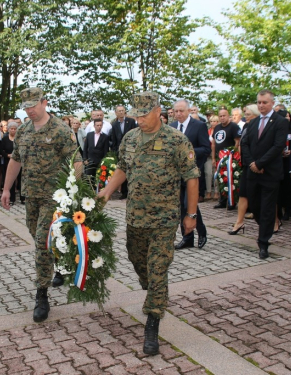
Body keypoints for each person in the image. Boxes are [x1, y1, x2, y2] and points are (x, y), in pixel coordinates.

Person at [98, 91, 200, 355]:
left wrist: (190, 215)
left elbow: (191, 178)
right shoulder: (130, 139)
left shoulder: (176, 140)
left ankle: (153, 319)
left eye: (144, 114)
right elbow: (122, 168)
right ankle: (154, 289)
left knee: (157, 267)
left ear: (158, 111)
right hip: (135, 217)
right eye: (137, 115)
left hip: (164, 219)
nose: (139, 119)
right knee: (137, 260)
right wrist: (106, 193)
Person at [1, 87, 82, 323]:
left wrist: (71, 188)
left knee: (41, 241)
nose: (30, 110)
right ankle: (59, 262)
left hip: (53, 197)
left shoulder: (60, 129)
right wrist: (6, 189)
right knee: (40, 237)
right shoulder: (24, 130)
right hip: (31, 196)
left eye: (33, 106)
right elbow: (16, 160)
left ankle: (42, 294)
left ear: (44, 103)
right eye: (26, 107)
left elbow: (77, 160)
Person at [240, 90, 288, 259]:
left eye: (264, 102)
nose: (261, 105)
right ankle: (265, 227)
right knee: (255, 206)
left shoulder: (280, 122)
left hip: (270, 173)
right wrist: (252, 163)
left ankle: (263, 243)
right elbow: (244, 145)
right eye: (259, 102)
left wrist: (260, 163)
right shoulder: (251, 124)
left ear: (272, 103)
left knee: (268, 208)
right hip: (253, 173)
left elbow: (277, 146)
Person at [170, 99, 210, 249]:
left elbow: (206, 149)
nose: (179, 114)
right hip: (176, 174)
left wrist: (189, 151)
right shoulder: (171, 127)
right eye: (176, 111)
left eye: (181, 111)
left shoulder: (199, 126)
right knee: (181, 205)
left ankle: (202, 231)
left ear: (188, 111)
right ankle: (187, 237)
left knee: (189, 204)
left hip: (192, 173)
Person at [228, 104, 260, 234]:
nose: (245, 117)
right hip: (247, 164)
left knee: (261, 196)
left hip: (260, 164)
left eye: (248, 115)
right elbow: (243, 144)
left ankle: (273, 221)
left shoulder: (262, 127)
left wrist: (256, 163)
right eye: (245, 114)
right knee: (243, 193)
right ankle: (239, 222)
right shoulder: (246, 126)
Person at [212, 108, 241, 210]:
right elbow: (214, 143)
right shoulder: (217, 128)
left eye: (224, 115)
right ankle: (222, 200)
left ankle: (232, 202)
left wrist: (234, 155)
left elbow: (237, 142)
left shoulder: (234, 127)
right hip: (219, 158)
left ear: (228, 116)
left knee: (231, 180)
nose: (222, 118)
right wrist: (213, 158)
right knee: (221, 180)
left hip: (230, 158)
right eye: (220, 116)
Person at [109, 105, 137, 199]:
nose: (121, 112)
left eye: (122, 110)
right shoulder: (114, 124)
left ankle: (131, 192)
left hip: (132, 150)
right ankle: (124, 192)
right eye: (119, 111)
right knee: (123, 170)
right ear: (116, 113)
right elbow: (113, 139)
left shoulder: (131, 122)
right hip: (120, 151)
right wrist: (115, 152)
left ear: (125, 112)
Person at [1, 121, 24, 205]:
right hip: (8, 161)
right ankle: (11, 199)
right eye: (12, 129)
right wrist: (7, 155)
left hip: (20, 161)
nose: (13, 130)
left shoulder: (20, 139)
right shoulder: (5, 139)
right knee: (11, 179)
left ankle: (23, 198)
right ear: (8, 129)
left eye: (15, 129)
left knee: (21, 180)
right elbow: (1, 150)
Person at [83, 118, 110, 188]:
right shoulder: (89, 135)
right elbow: (85, 148)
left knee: (99, 178)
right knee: (88, 178)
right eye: (97, 125)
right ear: (94, 126)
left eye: (100, 125)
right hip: (90, 160)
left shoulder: (105, 137)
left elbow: (106, 151)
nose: (99, 127)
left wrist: (104, 162)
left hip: (99, 161)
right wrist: (85, 159)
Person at [205, 115, 219, 201]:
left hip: (217, 155)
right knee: (208, 173)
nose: (213, 123)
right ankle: (209, 191)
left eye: (215, 121)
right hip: (208, 155)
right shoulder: (207, 131)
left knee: (216, 173)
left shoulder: (219, 131)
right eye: (211, 121)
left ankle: (217, 192)